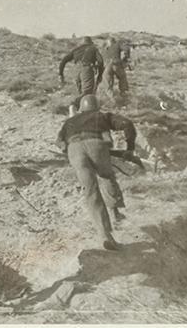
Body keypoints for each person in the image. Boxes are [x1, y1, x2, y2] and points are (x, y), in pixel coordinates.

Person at [56, 94, 136, 251]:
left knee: (90, 191)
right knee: (106, 177)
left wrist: (71, 151)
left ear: (81, 108)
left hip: (75, 150)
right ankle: (115, 213)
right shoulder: (102, 115)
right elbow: (127, 124)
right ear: (96, 106)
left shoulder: (69, 121)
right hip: (96, 145)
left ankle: (105, 235)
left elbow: (59, 141)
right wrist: (130, 148)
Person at [58, 36, 104, 110]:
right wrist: (99, 73)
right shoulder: (93, 48)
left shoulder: (76, 49)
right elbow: (101, 62)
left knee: (81, 92)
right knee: (87, 92)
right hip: (86, 69)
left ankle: (81, 109)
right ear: (91, 42)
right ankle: (73, 105)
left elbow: (64, 60)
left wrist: (61, 74)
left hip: (76, 70)